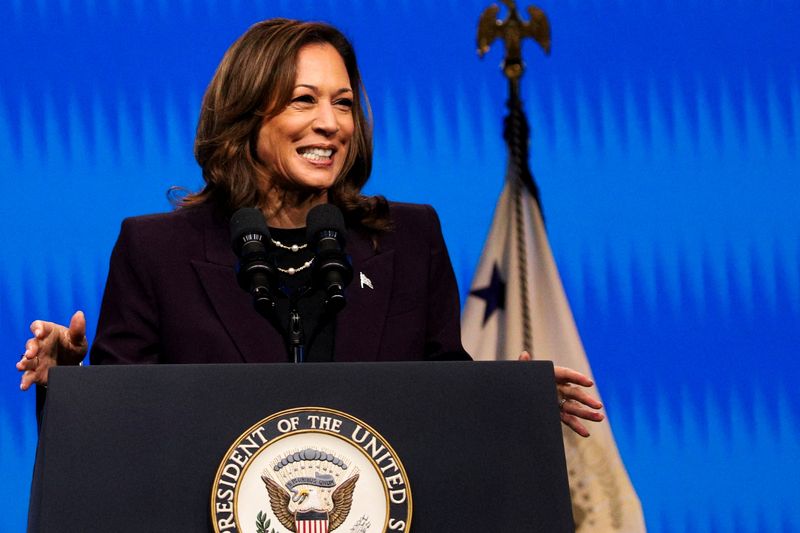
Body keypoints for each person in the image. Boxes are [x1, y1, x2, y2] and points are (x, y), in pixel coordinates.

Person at [16, 18, 604, 437]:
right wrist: (67, 385)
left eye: (344, 103)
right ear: (247, 114)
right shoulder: (157, 251)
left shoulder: (406, 237)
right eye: (304, 100)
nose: (330, 124)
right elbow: (123, 436)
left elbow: (439, 396)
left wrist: (509, 399)